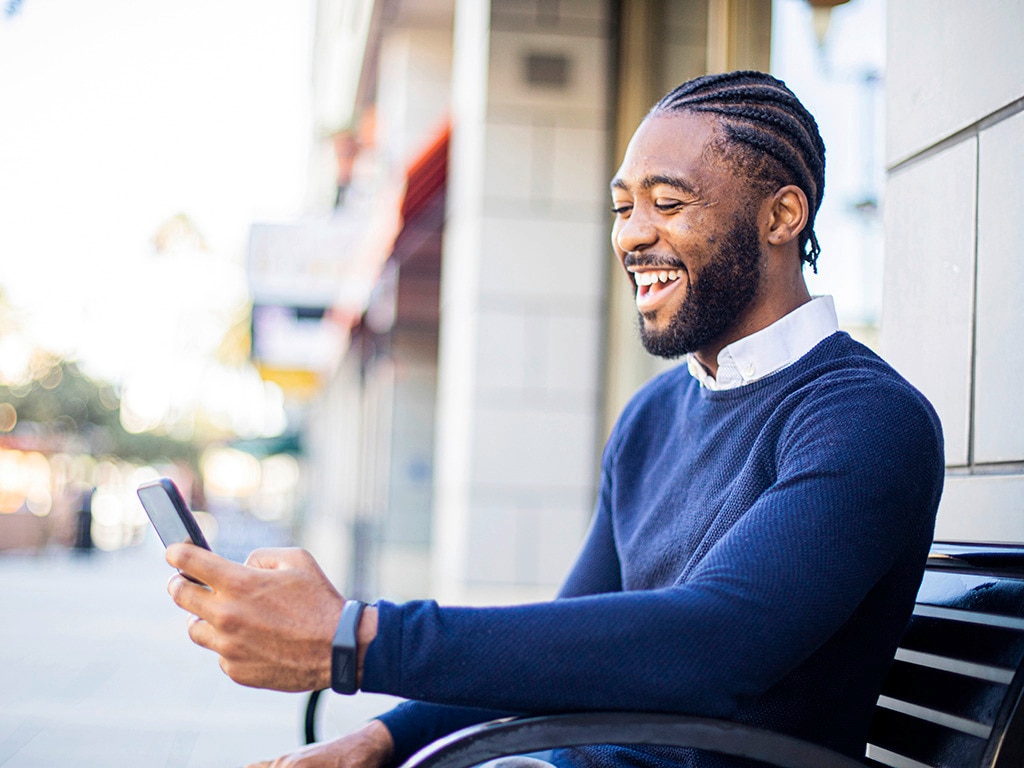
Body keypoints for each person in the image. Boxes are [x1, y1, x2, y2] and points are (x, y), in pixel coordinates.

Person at [167, 71, 945, 768]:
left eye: (668, 204)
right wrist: (382, 739)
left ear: (781, 216)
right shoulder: (652, 416)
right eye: (623, 207)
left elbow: (712, 647)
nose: (634, 235)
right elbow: (573, 638)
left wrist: (357, 638)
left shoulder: (867, 419)